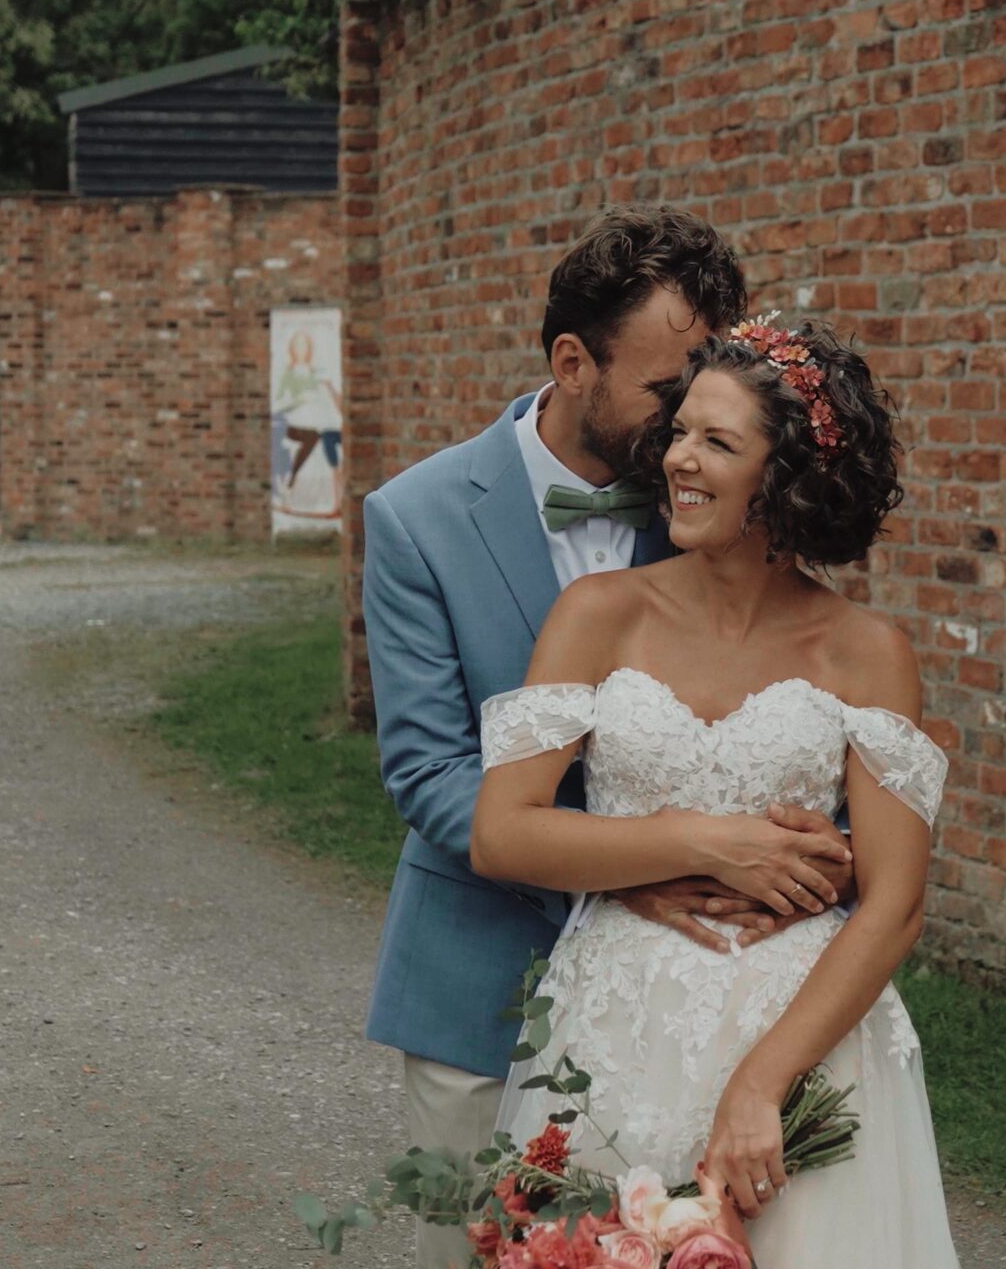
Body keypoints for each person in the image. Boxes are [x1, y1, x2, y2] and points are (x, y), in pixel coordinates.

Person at [357, 206, 856, 1269]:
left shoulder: (706, 497)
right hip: (477, 981)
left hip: (684, 1003)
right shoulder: (415, 518)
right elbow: (432, 770)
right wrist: (630, 868)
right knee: (467, 1251)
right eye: (667, 391)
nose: (687, 423)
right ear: (573, 362)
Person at [472, 318, 961, 1265]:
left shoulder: (867, 653)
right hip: (618, 1032)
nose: (679, 462)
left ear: (789, 481)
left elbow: (896, 902)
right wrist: (704, 840)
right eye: (682, 432)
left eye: (719, 443)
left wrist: (759, 1086)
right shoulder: (599, 615)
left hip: (808, 1046)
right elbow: (504, 832)